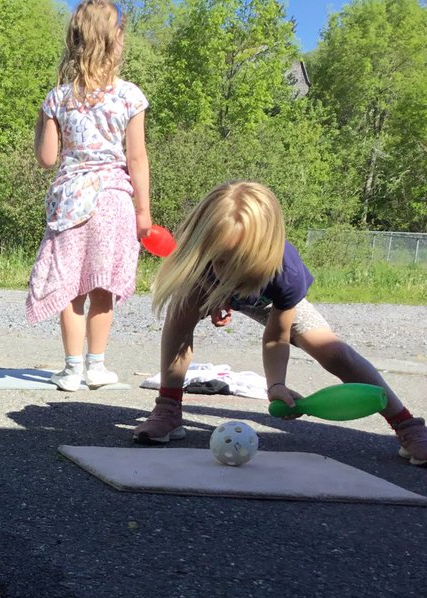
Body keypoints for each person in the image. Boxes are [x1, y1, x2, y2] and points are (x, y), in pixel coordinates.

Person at [133, 180, 427, 466]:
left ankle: (407, 425)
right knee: (178, 321)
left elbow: (276, 337)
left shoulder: (285, 271)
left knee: (334, 351)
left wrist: (276, 385)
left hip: (269, 298)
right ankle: (168, 409)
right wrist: (218, 300)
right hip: (206, 289)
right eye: (218, 260)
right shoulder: (197, 254)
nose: (223, 270)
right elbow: (191, 305)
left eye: (236, 263)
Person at [25, 0, 151, 391]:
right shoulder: (130, 96)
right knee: (102, 285)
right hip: (113, 199)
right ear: (116, 41)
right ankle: (97, 365)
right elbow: (136, 157)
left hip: (70, 200)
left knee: (68, 286)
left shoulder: (57, 98)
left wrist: (42, 120)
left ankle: (72, 368)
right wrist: (143, 212)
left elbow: (47, 159)